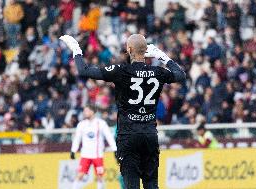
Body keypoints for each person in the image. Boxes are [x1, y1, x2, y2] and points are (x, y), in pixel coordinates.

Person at [60, 34, 186, 189]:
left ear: (129, 49)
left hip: (128, 135)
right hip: (149, 134)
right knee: (152, 184)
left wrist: (76, 49)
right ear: (146, 51)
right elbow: (180, 75)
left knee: (131, 185)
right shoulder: (157, 72)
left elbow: (84, 71)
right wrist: (162, 56)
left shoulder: (121, 71)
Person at [70, 105, 117, 189]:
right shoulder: (81, 124)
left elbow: (109, 136)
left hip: (98, 154)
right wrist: (73, 150)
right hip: (85, 154)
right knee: (80, 174)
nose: (85, 113)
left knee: (100, 176)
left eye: (87, 111)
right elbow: (77, 138)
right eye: (84, 111)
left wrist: (115, 149)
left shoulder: (101, 123)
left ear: (92, 112)